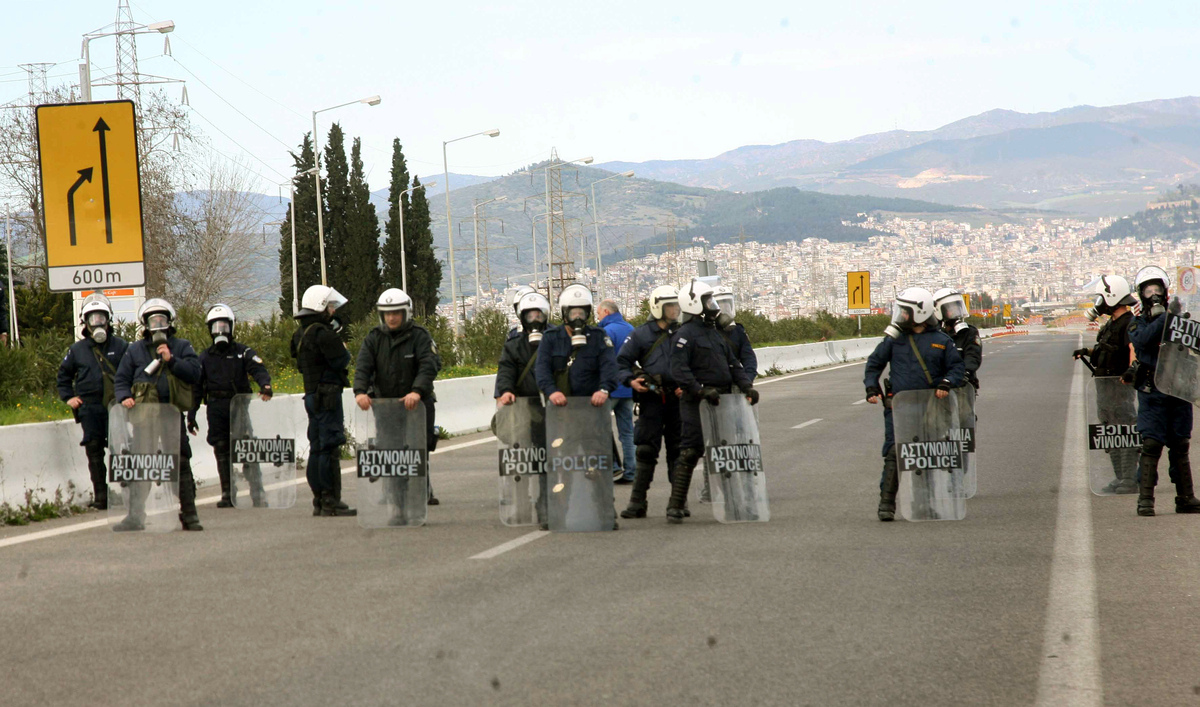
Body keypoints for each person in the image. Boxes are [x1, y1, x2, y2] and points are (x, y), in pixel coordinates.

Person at [864, 287, 965, 522]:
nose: (901, 315)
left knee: (929, 454)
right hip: (899, 408)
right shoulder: (894, 340)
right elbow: (874, 364)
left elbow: (957, 367)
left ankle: (927, 502)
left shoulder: (941, 340)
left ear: (920, 312)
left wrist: (946, 383)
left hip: (932, 407)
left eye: (905, 311)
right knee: (895, 453)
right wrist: (872, 388)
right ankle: (886, 504)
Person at [665, 279, 759, 525]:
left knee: (726, 450)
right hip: (696, 401)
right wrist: (700, 390)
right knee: (690, 451)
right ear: (694, 304)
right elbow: (679, 370)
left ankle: (735, 503)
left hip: (723, 400)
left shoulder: (714, 334)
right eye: (708, 301)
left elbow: (733, 364)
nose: (713, 306)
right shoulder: (684, 335)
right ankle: (675, 505)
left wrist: (747, 386)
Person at [112, 298, 204, 531]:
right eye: (153, 320)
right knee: (142, 463)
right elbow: (121, 379)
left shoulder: (182, 346)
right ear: (145, 323)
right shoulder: (134, 350)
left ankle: (190, 514)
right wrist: (124, 396)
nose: (158, 324)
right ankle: (135, 516)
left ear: (170, 321)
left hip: (172, 416)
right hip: (144, 416)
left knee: (180, 462)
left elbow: (195, 373)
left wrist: (171, 360)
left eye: (162, 319)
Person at [535, 283, 621, 529]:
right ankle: (559, 513)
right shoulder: (551, 339)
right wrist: (551, 392)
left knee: (598, 464)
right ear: (564, 313)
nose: (577, 317)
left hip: (593, 414)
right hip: (563, 414)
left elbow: (610, 368)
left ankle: (606, 512)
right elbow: (541, 370)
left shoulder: (598, 338)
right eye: (573, 312)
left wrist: (604, 390)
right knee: (562, 465)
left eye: (582, 312)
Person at [354, 288, 442, 513]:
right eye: (387, 313)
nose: (392, 317)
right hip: (387, 406)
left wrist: (417, 391)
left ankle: (422, 488)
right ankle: (398, 506)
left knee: (417, 450)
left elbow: (429, 365)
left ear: (406, 312)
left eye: (396, 312)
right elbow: (363, 366)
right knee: (391, 452)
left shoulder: (420, 336)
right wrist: (360, 392)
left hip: (416, 405)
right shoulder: (374, 338)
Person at [1125, 266, 1200, 516]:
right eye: (1148, 290)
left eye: (1157, 289)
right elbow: (1143, 340)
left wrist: (1181, 318)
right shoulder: (1136, 324)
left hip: (1178, 388)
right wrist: (1164, 317)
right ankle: (1145, 500)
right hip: (1152, 391)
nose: (1154, 294)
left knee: (1180, 444)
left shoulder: (1177, 318)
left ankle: (1185, 497)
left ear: (1165, 291)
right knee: (1151, 444)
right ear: (1141, 294)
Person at [188, 304, 273, 508]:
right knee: (221, 448)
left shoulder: (243, 352)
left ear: (231, 327)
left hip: (238, 406)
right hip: (216, 407)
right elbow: (197, 388)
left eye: (224, 326)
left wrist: (266, 385)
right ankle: (228, 493)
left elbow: (258, 368)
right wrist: (190, 415)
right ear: (210, 330)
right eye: (216, 327)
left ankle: (257, 493)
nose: (220, 331)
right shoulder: (205, 357)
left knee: (246, 448)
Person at [56, 294, 129, 510]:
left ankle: (127, 492)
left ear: (109, 320)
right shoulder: (77, 350)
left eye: (101, 318)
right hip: (89, 408)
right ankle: (101, 497)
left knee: (121, 449)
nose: (98, 322)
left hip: (117, 406)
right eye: (93, 318)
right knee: (94, 450)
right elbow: (63, 376)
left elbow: (132, 373)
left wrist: (129, 396)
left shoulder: (122, 346)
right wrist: (69, 397)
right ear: (84, 322)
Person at [617, 285, 683, 519]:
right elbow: (621, 362)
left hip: (678, 400)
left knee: (679, 451)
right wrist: (631, 381)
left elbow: (698, 362)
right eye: (670, 306)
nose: (675, 309)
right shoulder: (640, 334)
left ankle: (678, 502)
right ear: (658, 308)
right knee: (645, 450)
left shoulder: (684, 332)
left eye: (676, 305)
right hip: (651, 400)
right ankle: (637, 503)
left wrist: (689, 385)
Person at [292, 285, 356, 517]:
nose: (332, 310)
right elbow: (342, 361)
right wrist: (344, 349)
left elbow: (300, 364)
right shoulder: (324, 333)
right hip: (328, 396)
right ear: (320, 307)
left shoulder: (300, 334)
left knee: (317, 447)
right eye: (329, 306)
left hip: (310, 395)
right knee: (330, 446)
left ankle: (319, 499)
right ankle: (331, 500)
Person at [1072, 275, 1138, 493]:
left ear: (1112, 297)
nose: (1099, 302)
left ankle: (1129, 479)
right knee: (1110, 432)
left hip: (1119, 386)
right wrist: (1087, 352)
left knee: (1125, 430)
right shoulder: (1112, 323)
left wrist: (1131, 370)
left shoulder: (1129, 322)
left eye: (1101, 297)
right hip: (1105, 386)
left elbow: (1132, 350)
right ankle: (1120, 477)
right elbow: (1107, 349)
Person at [496, 291, 552, 529]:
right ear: (522, 316)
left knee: (547, 460)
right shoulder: (514, 344)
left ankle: (547, 504)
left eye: (538, 313)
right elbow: (505, 370)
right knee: (522, 459)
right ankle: (520, 505)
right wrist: (504, 391)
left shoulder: (556, 338)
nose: (534, 318)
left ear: (545, 314)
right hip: (522, 410)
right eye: (529, 314)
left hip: (551, 409)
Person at [597, 299, 636, 483]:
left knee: (601, 429)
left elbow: (603, 360)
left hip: (611, 388)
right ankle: (631, 472)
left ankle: (612, 467)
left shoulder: (606, 331)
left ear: (605, 312)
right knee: (627, 433)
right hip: (628, 388)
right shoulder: (630, 328)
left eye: (598, 314)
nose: (597, 317)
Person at [932, 288, 982, 390]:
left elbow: (973, 355)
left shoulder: (969, 332)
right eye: (951, 308)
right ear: (939, 311)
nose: (955, 311)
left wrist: (965, 373)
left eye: (957, 307)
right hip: (940, 386)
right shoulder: (934, 335)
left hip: (963, 386)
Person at [712, 286, 758, 380]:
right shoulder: (706, 332)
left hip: (735, 380)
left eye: (727, 305)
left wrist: (748, 378)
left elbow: (748, 357)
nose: (724, 309)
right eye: (720, 305)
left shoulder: (738, 331)